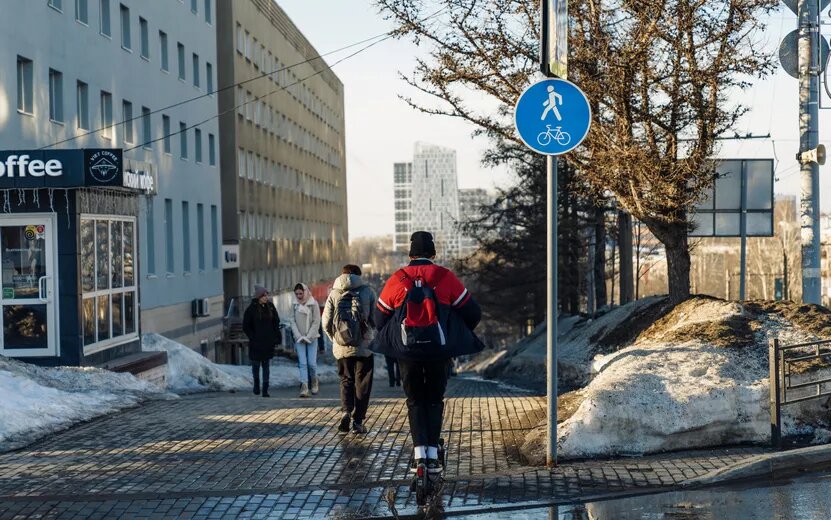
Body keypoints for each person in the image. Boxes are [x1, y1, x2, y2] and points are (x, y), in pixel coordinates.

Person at [372, 231, 483, 474]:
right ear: (433, 254)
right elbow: (473, 313)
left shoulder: (397, 279)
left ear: (410, 254)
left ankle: (419, 454)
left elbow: (379, 317)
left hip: (408, 352)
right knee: (434, 400)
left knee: (414, 401)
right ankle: (433, 455)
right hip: (438, 351)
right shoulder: (444, 277)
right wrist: (450, 330)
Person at [322, 264, 377, 434]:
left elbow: (326, 322)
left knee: (346, 379)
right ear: (359, 275)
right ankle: (358, 421)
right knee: (363, 384)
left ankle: (346, 411)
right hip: (364, 347)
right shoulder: (368, 292)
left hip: (342, 346)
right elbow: (376, 319)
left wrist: (336, 340)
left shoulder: (334, 293)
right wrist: (370, 336)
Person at [242, 284, 280, 398]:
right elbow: (246, 325)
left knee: (266, 365)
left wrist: (275, 337)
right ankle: (256, 385)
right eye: (263, 296)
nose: (266, 298)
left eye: (266, 295)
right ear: (258, 297)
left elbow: (276, 322)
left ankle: (265, 389)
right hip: (256, 342)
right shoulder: (251, 309)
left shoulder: (271, 307)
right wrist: (252, 336)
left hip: (268, 341)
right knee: (255, 365)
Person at [290, 282, 321, 397]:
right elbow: (292, 320)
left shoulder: (313, 303)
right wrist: (298, 336)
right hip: (299, 339)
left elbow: (316, 321)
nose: (298, 296)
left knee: (311, 363)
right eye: (297, 294)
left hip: (312, 338)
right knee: (302, 363)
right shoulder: (294, 304)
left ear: (305, 292)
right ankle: (304, 387)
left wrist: (308, 337)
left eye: (300, 293)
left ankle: (314, 381)